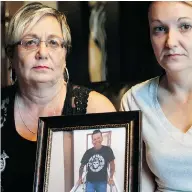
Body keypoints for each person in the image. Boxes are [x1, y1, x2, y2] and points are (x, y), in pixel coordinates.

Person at [1, 2, 116, 191]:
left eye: (53, 42)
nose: (43, 53)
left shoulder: (96, 109)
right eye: (30, 42)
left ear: (65, 55)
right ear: (12, 55)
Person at [121, 1, 192, 192]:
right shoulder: (135, 100)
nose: (170, 41)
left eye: (185, 26)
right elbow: (139, 186)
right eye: (159, 29)